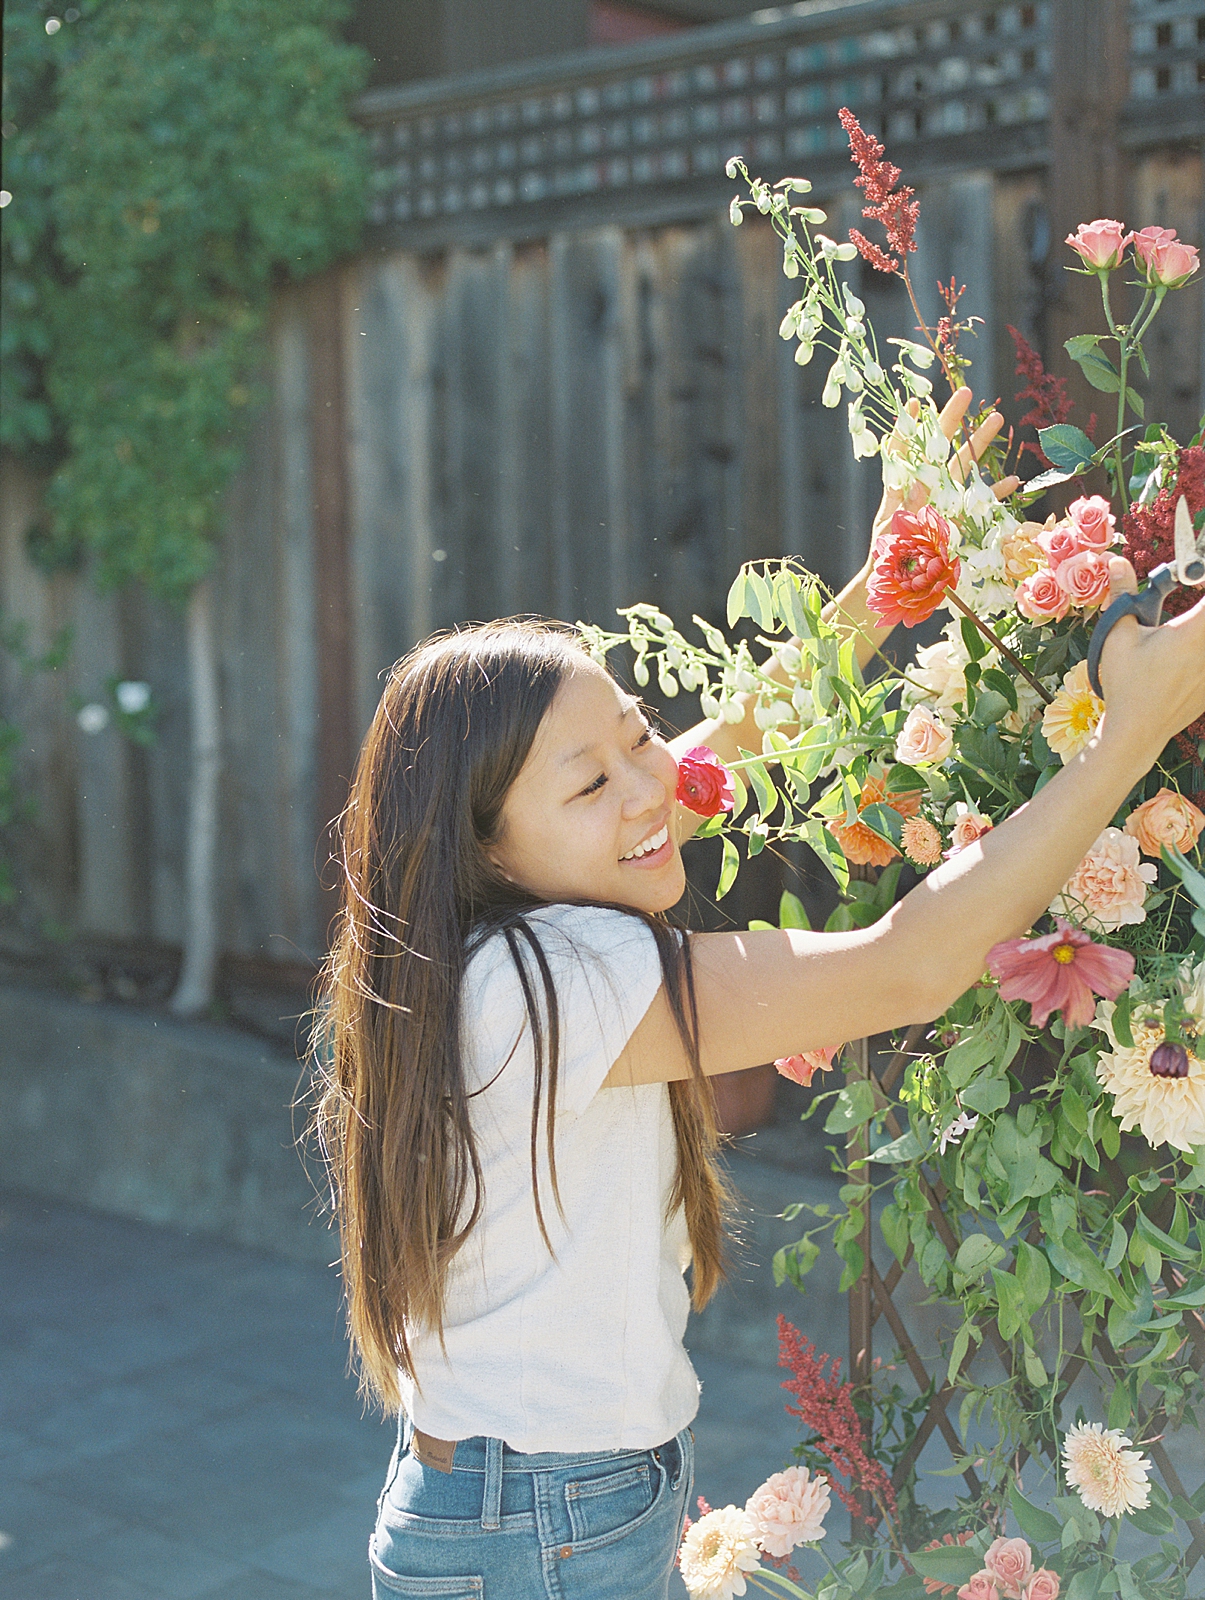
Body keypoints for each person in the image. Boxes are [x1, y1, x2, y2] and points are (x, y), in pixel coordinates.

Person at [311, 388, 1205, 1600]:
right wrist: (1126, 739)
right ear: (488, 847)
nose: (648, 786)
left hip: (531, 1501)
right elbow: (904, 965)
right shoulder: (549, 980)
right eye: (591, 783)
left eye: (635, 735)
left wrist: (884, 582)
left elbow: (720, 745)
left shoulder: (478, 941)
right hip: (538, 1527)